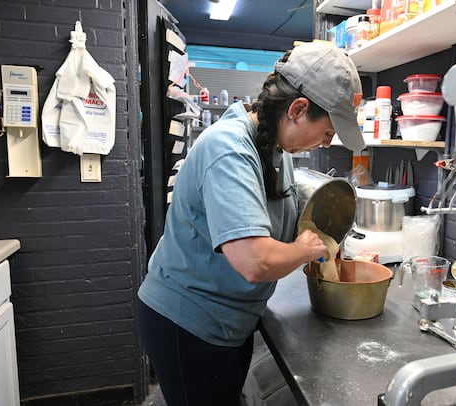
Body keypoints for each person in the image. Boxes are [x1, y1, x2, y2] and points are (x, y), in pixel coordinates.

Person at [136, 42, 365, 405]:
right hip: (189, 324)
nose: (328, 141)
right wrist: (305, 249)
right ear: (298, 109)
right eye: (328, 130)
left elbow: (285, 222)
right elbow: (254, 261)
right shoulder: (228, 148)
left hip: (230, 322)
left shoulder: (275, 151)